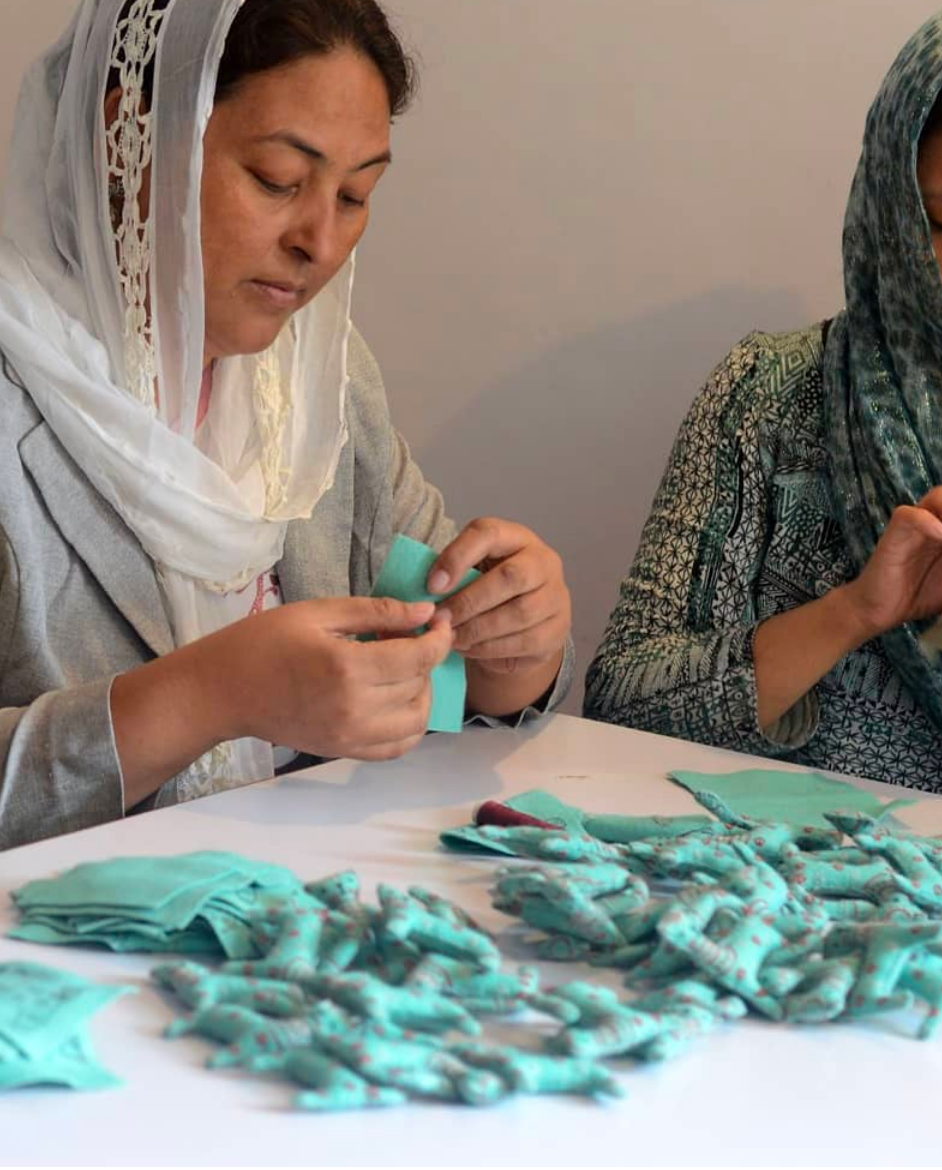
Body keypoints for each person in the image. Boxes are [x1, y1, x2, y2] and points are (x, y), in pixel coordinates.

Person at [585, 0, 942, 843]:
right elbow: (623, 710)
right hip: (799, 910)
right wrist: (854, 611)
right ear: (890, 205)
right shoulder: (774, 395)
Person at [0, 0, 572, 851]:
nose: (321, 242)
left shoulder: (313, 386)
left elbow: (439, 663)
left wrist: (510, 655)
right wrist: (206, 696)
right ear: (131, 138)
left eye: (356, 194)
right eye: (276, 179)